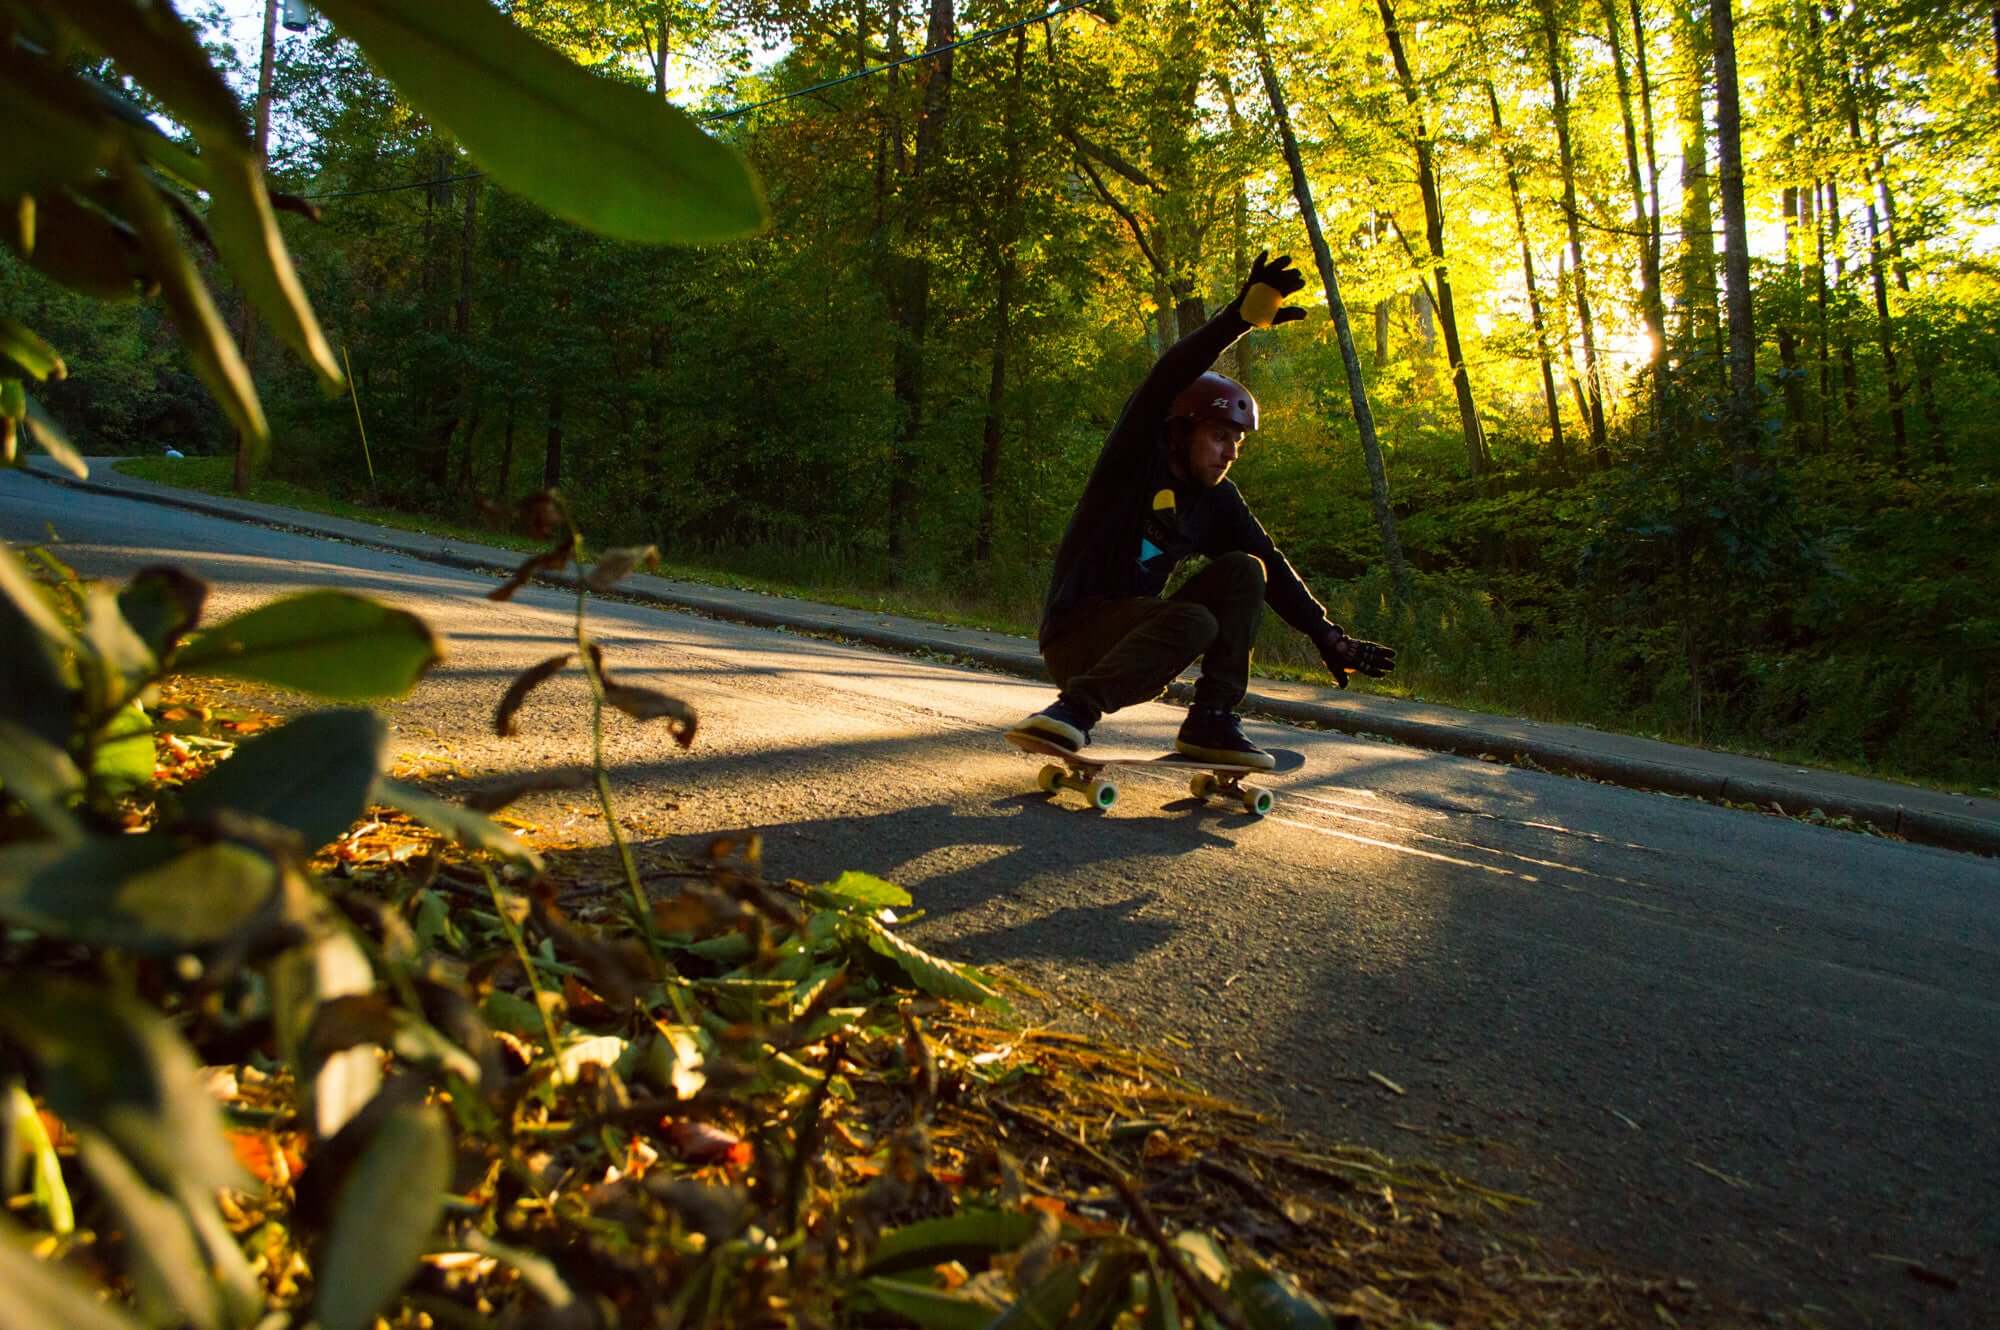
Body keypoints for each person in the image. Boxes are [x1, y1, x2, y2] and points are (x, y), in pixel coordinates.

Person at [1012, 251, 1396, 770]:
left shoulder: (1215, 502)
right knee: (1193, 620)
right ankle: (1072, 712)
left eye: (1238, 441)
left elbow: (1273, 567)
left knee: (1246, 570)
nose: (1230, 452)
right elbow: (1167, 377)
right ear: (1181, 429)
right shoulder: (1135, 458)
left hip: (1139, 636)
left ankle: (1211, 718)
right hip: (1075, 638)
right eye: (1219, 436)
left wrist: (1328, 636)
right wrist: (1239, 319)